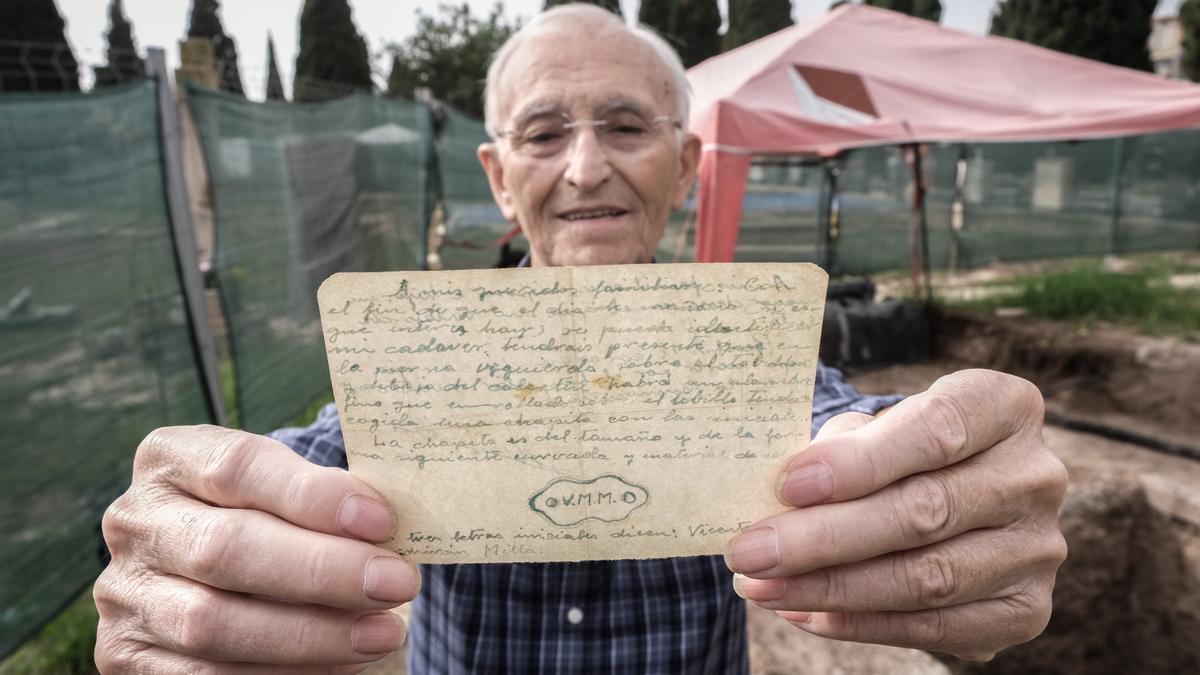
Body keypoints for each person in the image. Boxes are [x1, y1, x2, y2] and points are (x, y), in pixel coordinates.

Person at [93, 4, 1068, 673]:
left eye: (626, 126)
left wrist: (942, 471)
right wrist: (193, 534)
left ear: (686, 165)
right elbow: (315, 457)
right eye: (545, 132)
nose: (587, 167)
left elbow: (840, 425)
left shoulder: (742, 356)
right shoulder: (425, 360)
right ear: (496, 172)